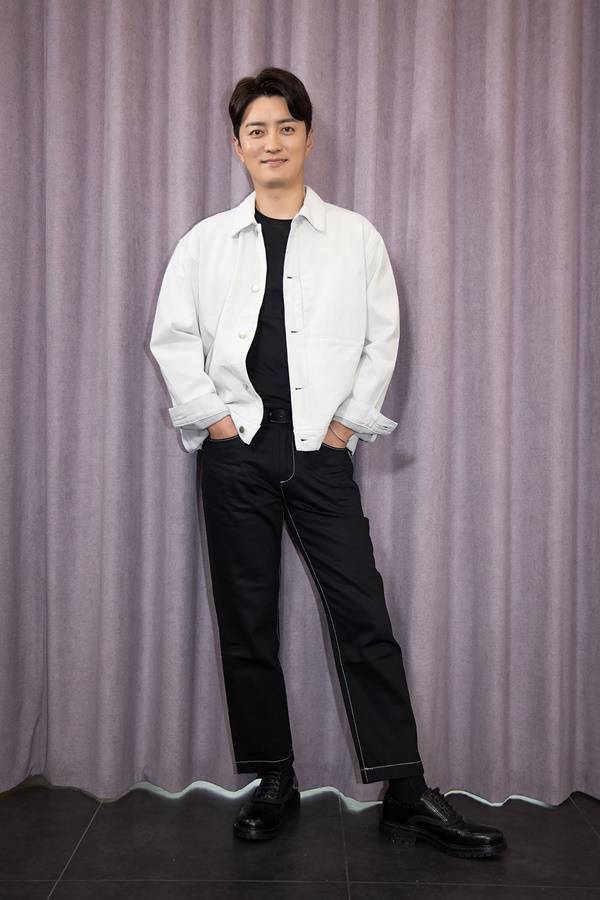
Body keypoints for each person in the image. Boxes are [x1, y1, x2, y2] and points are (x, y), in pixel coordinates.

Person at [149, 67, 506, 859]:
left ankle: (406, 793)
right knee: (247, 623)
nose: (272, 142)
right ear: (238, 147)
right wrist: (216, 423)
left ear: (308, 137)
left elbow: (383, 337)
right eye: (256, 130)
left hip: (319, 457)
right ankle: (273, 779)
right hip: (235, 457)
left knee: (364, 619)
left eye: (286, 127)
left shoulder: (355, 238)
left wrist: (347, 426)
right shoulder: (205, 243)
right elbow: (173, 339)